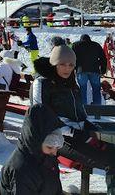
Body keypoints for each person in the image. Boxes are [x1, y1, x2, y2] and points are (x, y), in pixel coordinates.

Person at [30, 45, 115, 193]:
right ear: (54, 63)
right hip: (58, 139)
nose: (67, 68)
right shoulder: (43, 83)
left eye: (71, 65)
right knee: (112, 160)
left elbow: (78, 113)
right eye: (62, 64)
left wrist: (88, 126)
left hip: (79, 135)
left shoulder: (71, 83)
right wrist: (73, 132)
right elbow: (41, 116)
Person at [0, 104, 64, 195]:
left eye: (57, 147)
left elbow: (55, 189)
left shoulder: (47, 158)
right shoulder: (22, 168)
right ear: (36, 142)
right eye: (49, 147)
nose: (54, 152)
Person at [72, 34, 107, 105]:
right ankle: (97, 111)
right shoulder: (96, 45)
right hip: (95, 70)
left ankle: (84, 110)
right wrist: (103, 70)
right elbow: (103, 58)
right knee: (96, 90)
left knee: (82, 90)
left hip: (81, 70)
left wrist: (73, 69)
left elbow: (72, 58)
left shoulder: (76, 45)